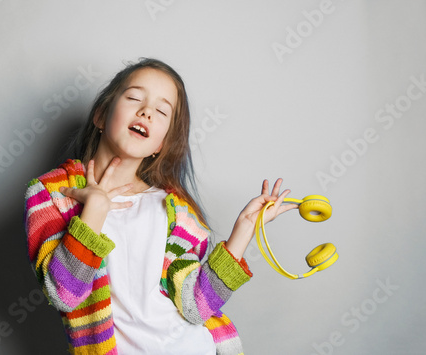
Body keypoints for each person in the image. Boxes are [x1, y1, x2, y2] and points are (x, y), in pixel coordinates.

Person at [24, 58, 296, 355]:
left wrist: (243, 230)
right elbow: (64, 294)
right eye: (133, 98)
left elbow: (195, 307)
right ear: (101, 115)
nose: (146, 112)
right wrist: (95, 209)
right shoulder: (52, 194)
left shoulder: (176, 211)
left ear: (160, 145)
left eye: (161, 110)